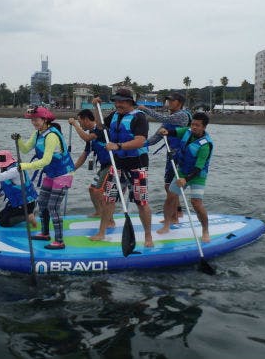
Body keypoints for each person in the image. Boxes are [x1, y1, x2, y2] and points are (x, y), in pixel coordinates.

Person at [90, 88, 154, 248]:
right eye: (116, 101)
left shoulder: (139, 118)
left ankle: (148, 236)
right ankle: (102, 232)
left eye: (121, 101)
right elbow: (99, 125)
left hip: (137, 165)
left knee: (141, 202)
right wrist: (95, 109)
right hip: (118, 165)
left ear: (130, 102)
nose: (118, 104)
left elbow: (140, 141)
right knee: (108, 199)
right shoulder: (114, 115)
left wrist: (118, 146)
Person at [14, 106, 75, 250]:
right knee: (41, 202)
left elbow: (46, 160)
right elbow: (24, 149)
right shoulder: (37, 134)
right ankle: (45, 233)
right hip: (51, 174)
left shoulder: (51, 136)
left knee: (53, 206)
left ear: (45, 119)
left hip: (64, 174)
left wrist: (23, 166)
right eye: (32, 120)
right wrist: (19, 140)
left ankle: (59, 241)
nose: (34, 122)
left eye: (37, 119)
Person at [138, 92, 191, 229]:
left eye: (171, 101)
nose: (168, 103)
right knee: (170, 185)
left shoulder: (181, 115)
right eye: (167, 100)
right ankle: (177, 213)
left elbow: (160, 117)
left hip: (180, 155)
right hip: (171, 154)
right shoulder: (169, 120)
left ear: (179, 103)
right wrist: (138, 144)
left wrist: (145, 109)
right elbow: (156, 138)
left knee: (170, 186)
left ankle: (174, 217)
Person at [158, 112, 213, 242]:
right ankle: (167, 225)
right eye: (193, 124)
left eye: (197, 125)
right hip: (182, 171)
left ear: (204, 127)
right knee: (171, 197)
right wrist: (166, 131)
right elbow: (174, 132)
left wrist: (186, 180)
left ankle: (205, 230)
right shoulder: (187, 131)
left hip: (198, 175)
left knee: (196, 203)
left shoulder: (206, 145)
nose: (194, 127)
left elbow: (198, 168)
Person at [68, 109, 112, 220]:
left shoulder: (99, 129)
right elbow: (84, 154)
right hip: (103, 167)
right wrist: (72, 169)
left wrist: (75, 124)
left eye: (80, 121)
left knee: (98, 191)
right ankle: (99, 212)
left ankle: (110, 220)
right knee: (92, 190)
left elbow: (86, 138)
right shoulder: (91, 133)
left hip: (112, 165)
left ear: (86, 120)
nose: (80, 124)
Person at [0, 150, 38, 227]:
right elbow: (3, 191)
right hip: (18, 202)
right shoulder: (8, 170)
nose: (0, 166)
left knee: (4, 222)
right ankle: (28, 214)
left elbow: (0, 177)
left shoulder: (15, 170)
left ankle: (28, 216)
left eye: (1, 164)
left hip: (26, 204)